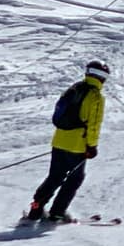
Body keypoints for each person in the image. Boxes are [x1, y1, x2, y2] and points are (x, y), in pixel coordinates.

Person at [26, 60, 109, 224]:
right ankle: (57, 213)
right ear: (103, 77)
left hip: (59, 141)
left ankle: (36, 209)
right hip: (78, 146)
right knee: (74, 179)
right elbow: (93, 125)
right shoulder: (96, 97)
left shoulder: (74, 88)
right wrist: (92, 146)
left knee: (54, 177)